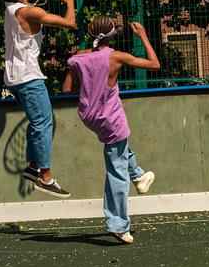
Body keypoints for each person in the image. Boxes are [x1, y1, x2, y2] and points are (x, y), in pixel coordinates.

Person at [62, 17, 159, 244]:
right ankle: (117, 224)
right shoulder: (116, 57)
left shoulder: (78, 58)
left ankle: (139, 175)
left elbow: (67, 89)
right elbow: (154, 64)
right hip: (110, 118)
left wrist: (73, 64)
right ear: (112, 35)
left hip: (89, 117)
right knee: (116, 172)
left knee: (120, 147)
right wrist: (143, 35)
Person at [0, 0, 76, 198]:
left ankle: (32, 166)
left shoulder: (11, 5)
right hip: (28, 77)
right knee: (44, 123)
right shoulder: (29, 12)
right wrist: (70, 1)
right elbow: (70, 23)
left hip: (15, 77)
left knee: (38, 122)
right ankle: (45, 175)